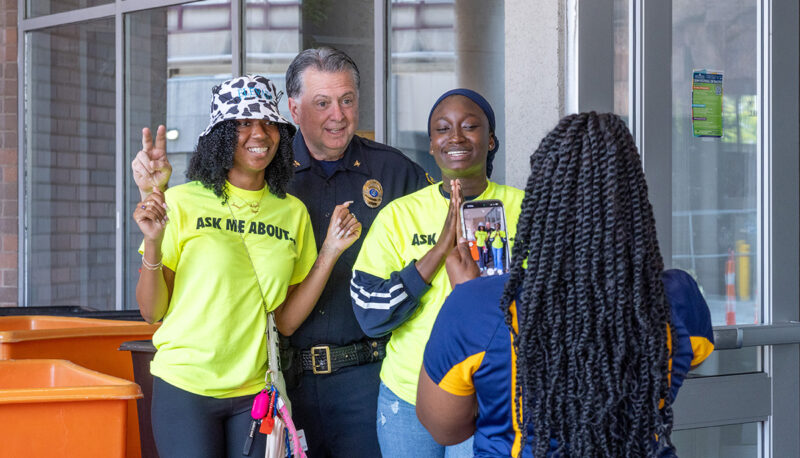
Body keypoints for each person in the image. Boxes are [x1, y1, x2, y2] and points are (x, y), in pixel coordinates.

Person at [132, 47, 431, 457]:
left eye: (347, 100)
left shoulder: (317, 200)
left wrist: (330, 252)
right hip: (234, 381)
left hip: (309, 384)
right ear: (295, 109)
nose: (337, 115)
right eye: (322, 102)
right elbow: (156, 305)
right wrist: (153, 211)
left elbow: (287, 317)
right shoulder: (215, 191)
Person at [416, 112, 715, 457]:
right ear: (635, 201)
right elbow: (683, 360)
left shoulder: (477, 307)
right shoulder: (677, 297)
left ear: (541, 205)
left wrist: (469, 295)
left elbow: (444, 427)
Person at [350, 88, 524, 457]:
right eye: (443, 129)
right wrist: (439, 250)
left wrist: (482, 293)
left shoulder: (526, 208)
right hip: (409, 393)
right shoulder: (399, 216)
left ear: (491, 140)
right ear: (431, 145)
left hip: (493, 391)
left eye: (470, 126)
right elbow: (370, 315)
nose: (456, 137)